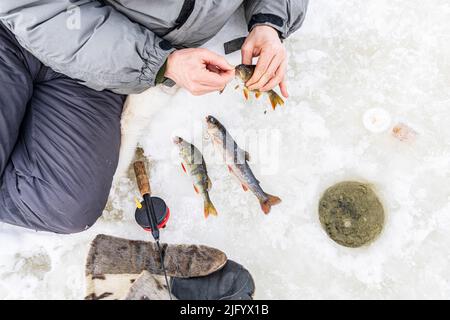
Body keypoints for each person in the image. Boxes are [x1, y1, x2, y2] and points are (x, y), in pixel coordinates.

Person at [0, 0, 308, 300]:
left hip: (100, 71)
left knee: (68, 205)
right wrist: (158, 63)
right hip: (14, 35)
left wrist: (270, 21)